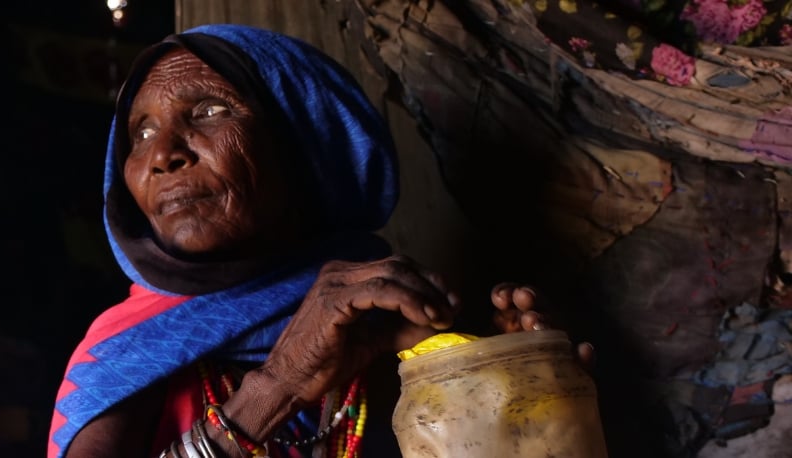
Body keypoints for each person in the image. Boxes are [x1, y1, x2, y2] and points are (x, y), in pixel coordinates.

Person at [48, 25, 590, 458]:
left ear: (306, 143)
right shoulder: (122, 357)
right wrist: (275, 388)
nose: (162, 154)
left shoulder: (386, 318)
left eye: (210, 112)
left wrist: (519, 399)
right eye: (139, 133)